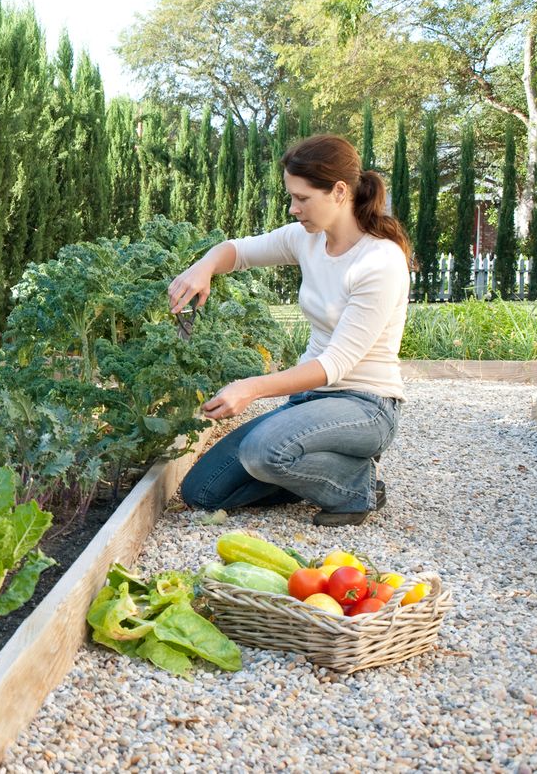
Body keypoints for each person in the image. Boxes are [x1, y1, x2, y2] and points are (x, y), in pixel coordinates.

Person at [168, 134, 410, 527]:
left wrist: (250, 387)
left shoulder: (378, 261)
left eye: (302, 198)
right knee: (204, 492)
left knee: (264, 451)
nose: (294, 208)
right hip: (311, 402)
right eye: (291, 197)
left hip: (366, 405)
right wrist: (203, 267)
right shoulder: (307, 239)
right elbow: (239, 251)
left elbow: (335, 364)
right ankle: (316, 464)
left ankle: (356, 486)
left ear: (339, 191)